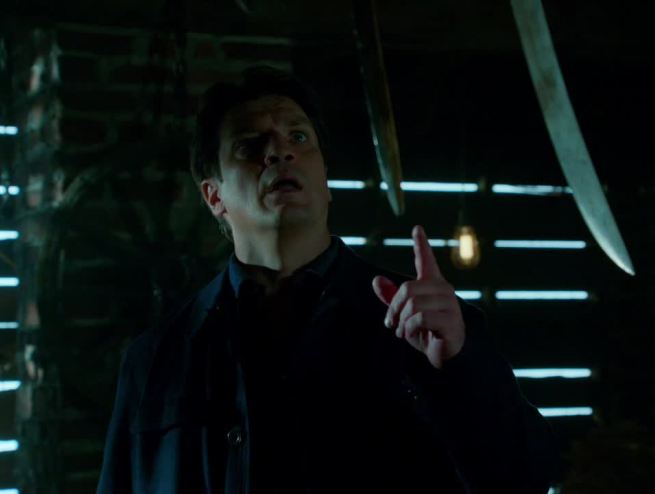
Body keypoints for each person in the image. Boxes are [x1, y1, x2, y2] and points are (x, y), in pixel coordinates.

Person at [97, 66, 558, 493]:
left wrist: (460, 365)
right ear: (214, 196)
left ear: (325, 178)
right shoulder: (155, 359)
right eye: (250, 145)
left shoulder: (426, 324)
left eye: (299, 137)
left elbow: (527, 478)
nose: (280, 151)